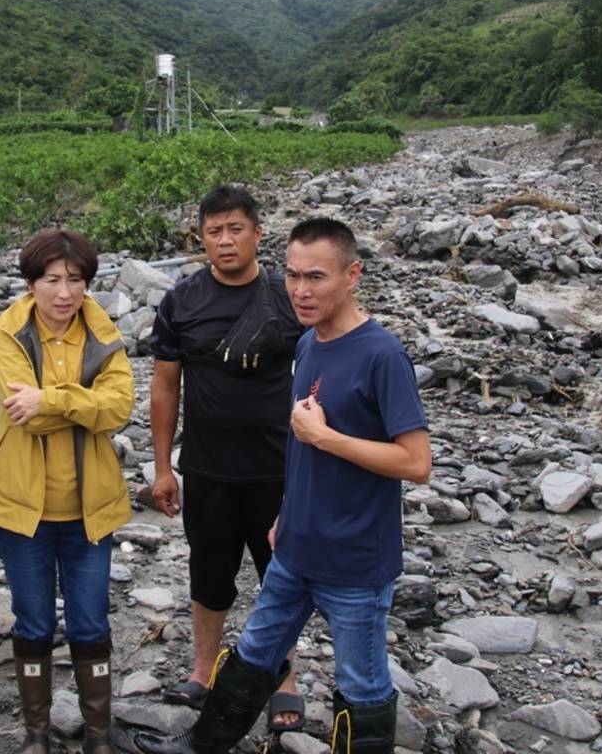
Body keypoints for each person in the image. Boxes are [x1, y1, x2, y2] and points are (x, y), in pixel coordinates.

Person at [135, 218, 432, 754]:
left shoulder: (382, 354)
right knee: (253, 654)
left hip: (355, 562)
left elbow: (416, 463)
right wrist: (287, 511)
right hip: (295, 547)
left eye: (316, 277)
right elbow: (298, 448)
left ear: (352, 275)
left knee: (362, 689)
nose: (300, 290)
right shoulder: (311, 344)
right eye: (293, 275)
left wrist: (327, 437)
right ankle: (200, 745)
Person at [0, 230, 134, 754]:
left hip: (90, 510)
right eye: (53, 280)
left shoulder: (102, 332)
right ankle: (36, 733)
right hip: (23, 511)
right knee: (33, 620)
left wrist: (51, 399)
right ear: (31, 283)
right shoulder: (9, 333)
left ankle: (98, 734)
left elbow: (121, 407)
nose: (65, 293)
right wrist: (80, 403)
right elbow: (25, 418)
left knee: (90, 622)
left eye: (76, 280)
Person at [147, 185, 304, 730]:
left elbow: (324, 368)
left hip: (278, 467)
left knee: (278, 575)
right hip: (208, 467)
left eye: (236, 228)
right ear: (202, 239)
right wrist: (163, 467)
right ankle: (204, 668)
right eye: (214, 231)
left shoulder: (288, 296)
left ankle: (282, 675)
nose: (225, 240)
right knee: (208, 572)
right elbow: (166, 387)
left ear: (258, 233)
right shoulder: (181, 300)